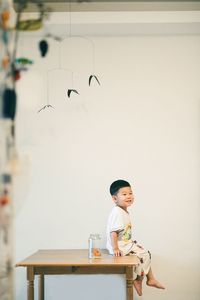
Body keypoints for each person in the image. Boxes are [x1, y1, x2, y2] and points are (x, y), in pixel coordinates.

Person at [106, 179, 165, 296]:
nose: (129, 196)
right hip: (120, 246)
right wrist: (115, 249)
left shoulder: (123, 211)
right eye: (124, 194)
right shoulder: (117, 212)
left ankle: (149, 279)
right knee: (144, 253)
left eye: (130, 193)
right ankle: (140, 280)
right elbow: (113, 233)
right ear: (114, 198)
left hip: (125, 243)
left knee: (144, 254)